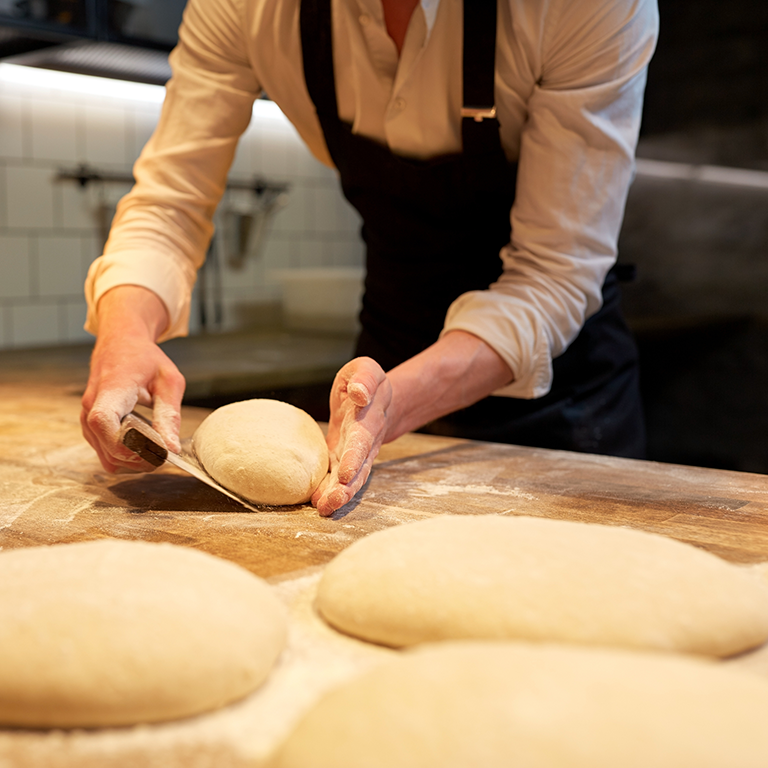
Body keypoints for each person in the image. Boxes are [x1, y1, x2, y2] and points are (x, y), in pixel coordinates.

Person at [80, 0, 659, 516]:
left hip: (560, 386)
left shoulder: (589, 8)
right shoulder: (247, 8)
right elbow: (169, 203)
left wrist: (398, 401)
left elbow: (555, 271)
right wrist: (124, 331)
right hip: (380, 358)